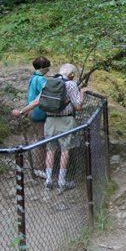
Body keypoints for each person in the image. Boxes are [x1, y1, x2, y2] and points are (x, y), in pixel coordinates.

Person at [13, 63, 89, 192]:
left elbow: (37, 101)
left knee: (50, 150)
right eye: (73, 75)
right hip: (66, 121)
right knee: (65, 150)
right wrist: (82, 93)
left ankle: (48, 181)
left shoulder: (48, 83)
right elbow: (78, 107)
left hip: (49, 121)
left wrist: (21, 112)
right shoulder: (71, 84)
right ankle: (61, 181)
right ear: (71, 74)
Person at [26, 56, 51, 179]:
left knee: (39, 138)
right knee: (42, 140)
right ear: (43, 67)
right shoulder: (41, 80)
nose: (49, 69)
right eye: (47, 66)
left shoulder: (33, 78)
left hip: (31, 111)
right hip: (38, 113)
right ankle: (39, 168)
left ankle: (38, 167)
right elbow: (48, 94)